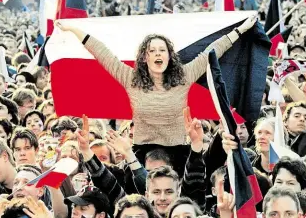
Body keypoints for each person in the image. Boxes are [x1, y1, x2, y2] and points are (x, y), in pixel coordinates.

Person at [54, 15, 257, 168]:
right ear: (144, 57)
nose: (158, 54)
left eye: (162, 50)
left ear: (170, 56)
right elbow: (102, 53)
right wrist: (73, 29)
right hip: (142, 154)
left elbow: (212, 52)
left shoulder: (184, 76)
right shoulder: (131, 79)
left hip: (178, 155)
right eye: (152, 50)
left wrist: (240, 31)